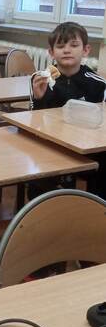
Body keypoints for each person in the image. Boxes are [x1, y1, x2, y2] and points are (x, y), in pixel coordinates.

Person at [30, 21, 106, 199]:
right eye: (60, 46)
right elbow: (33, 120)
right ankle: (41, 202)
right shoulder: (41, 80)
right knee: (39, 163)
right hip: (51, 142)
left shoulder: (97, 83)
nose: (66, 50)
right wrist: (39, 99)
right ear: (51, 52)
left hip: (87, 144)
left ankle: (97, 204)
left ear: (86, 50)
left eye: (74, 45)